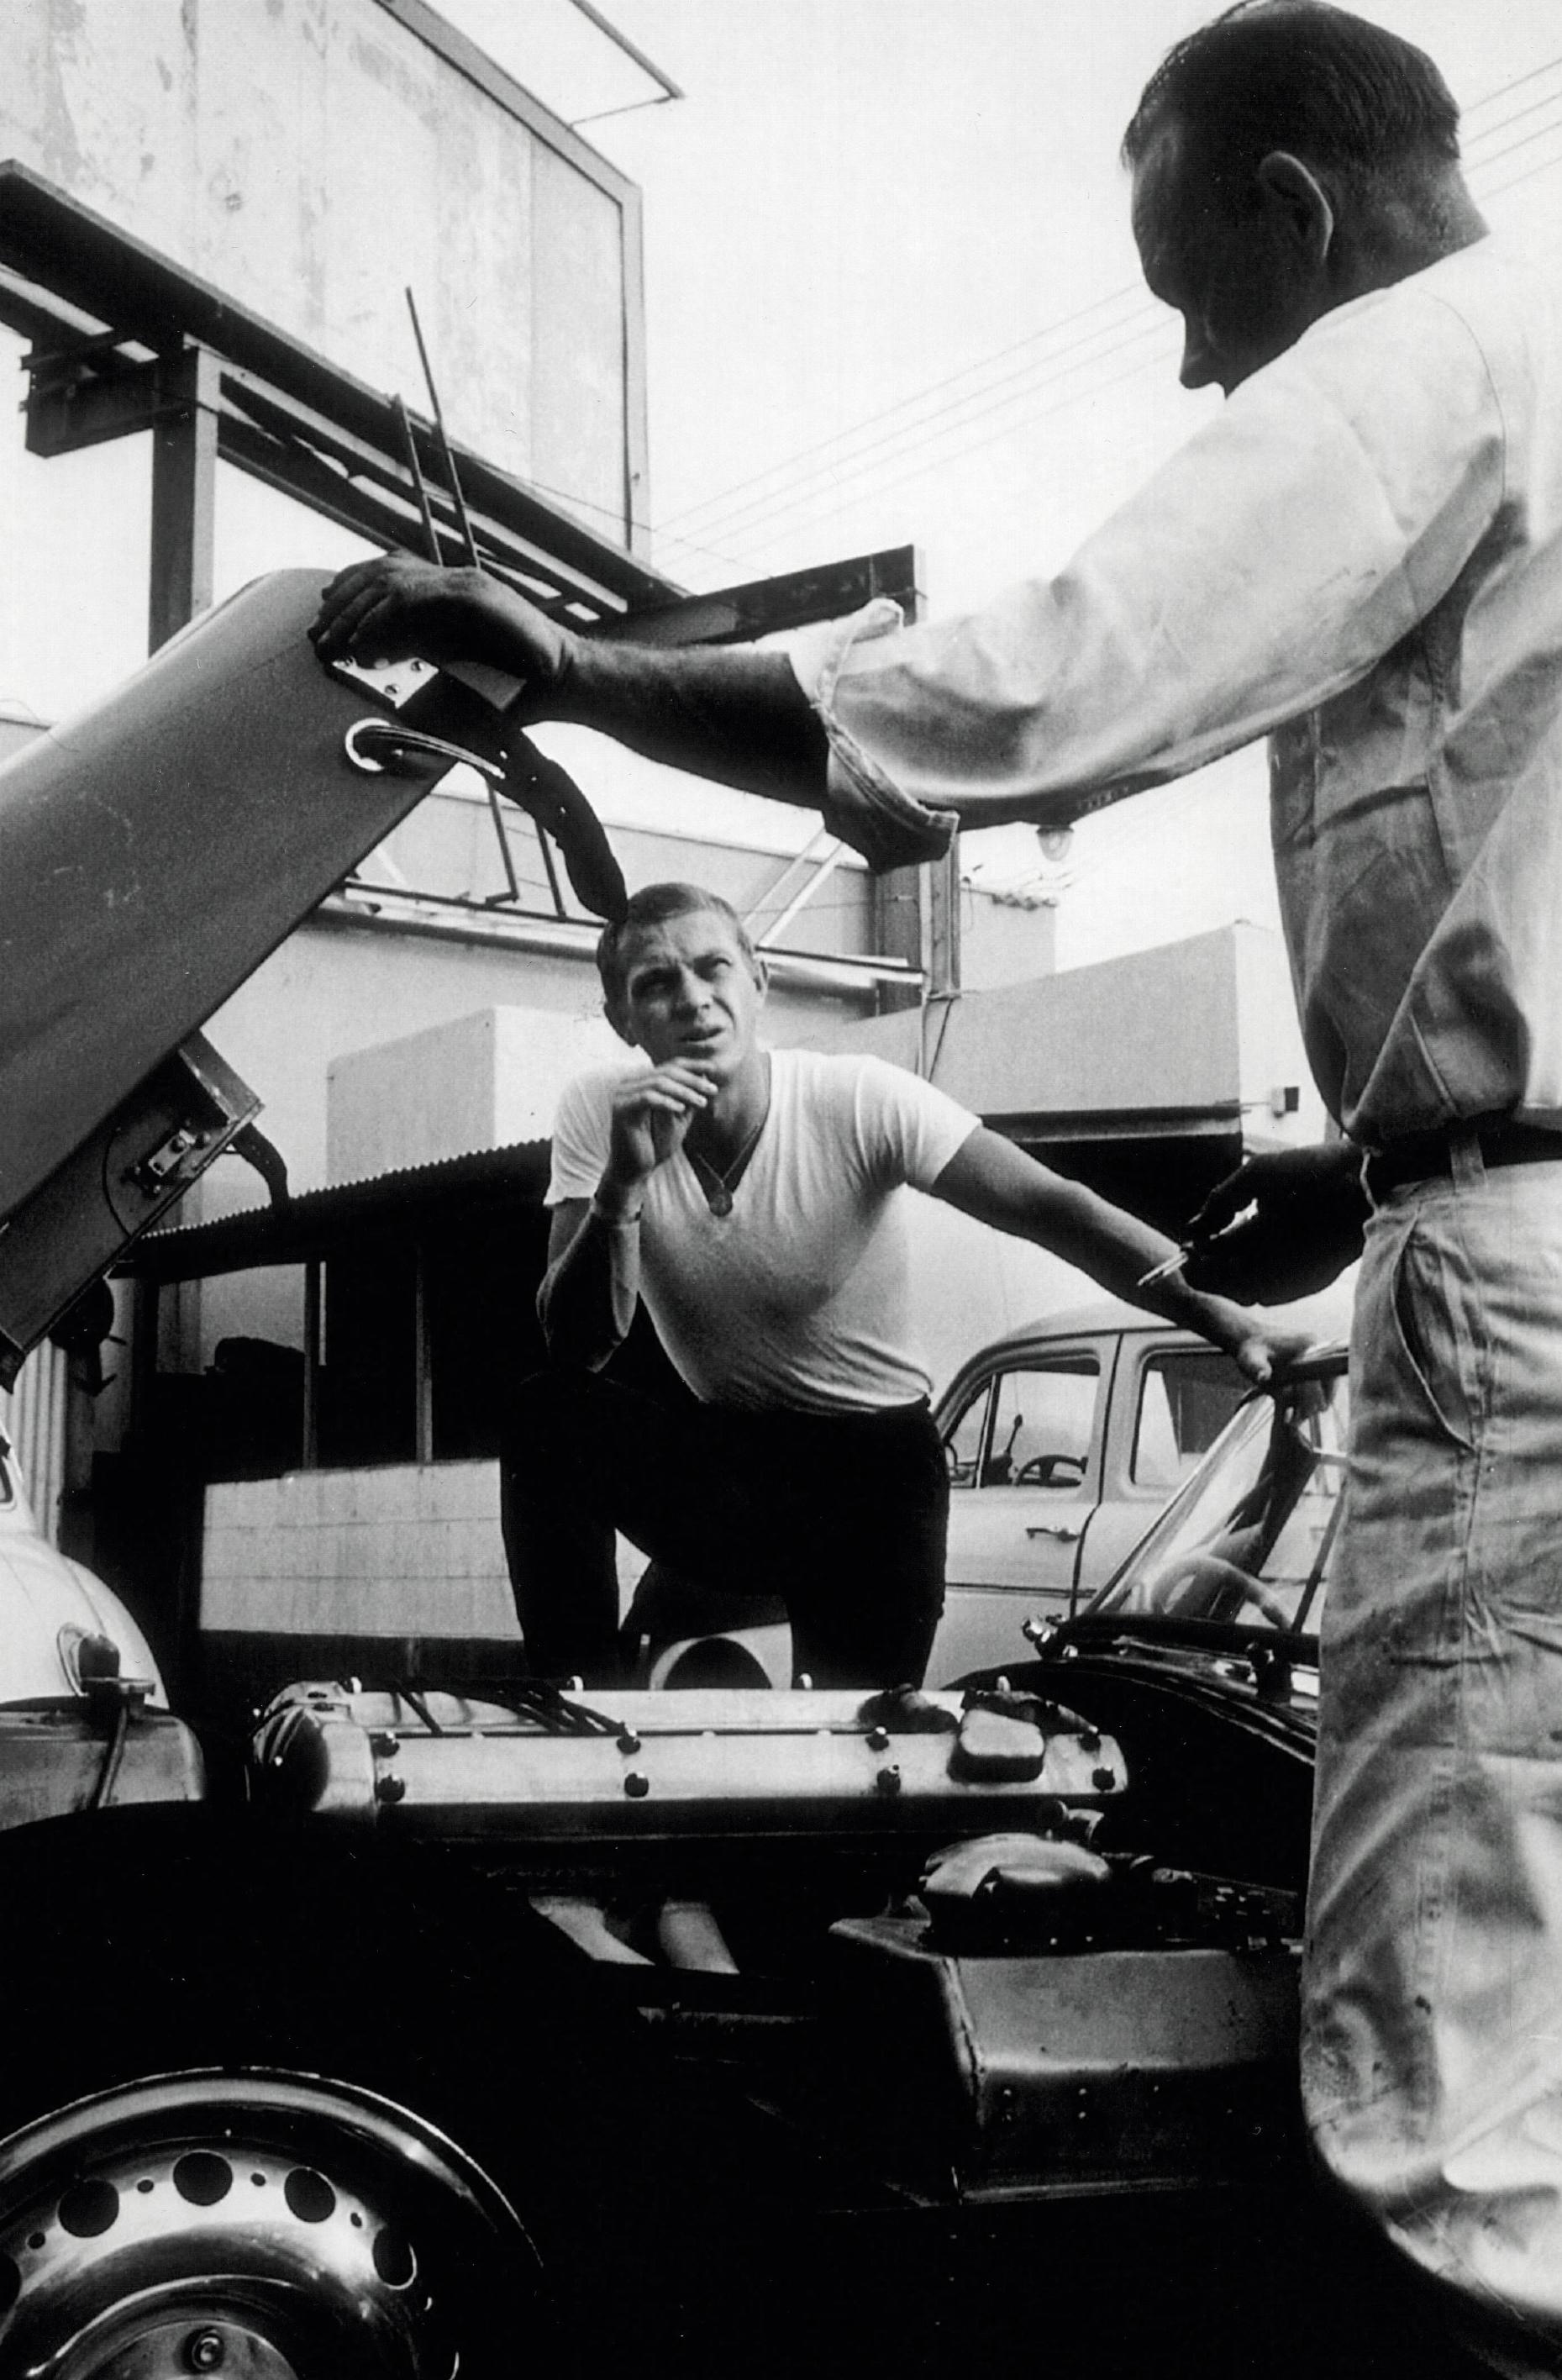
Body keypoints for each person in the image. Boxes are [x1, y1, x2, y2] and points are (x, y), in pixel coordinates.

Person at [313, 5, 1562, 2360]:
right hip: (1448, 1204)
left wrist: (573, 668)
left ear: (1290, 208)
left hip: (1430, 1293)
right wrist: (1343, 1155)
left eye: (1191, 288)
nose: (1197, 367)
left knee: (1453, 2061)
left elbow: (1020, 697)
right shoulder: (603, 1132)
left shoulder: (1424, 351)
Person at [502, 876, 1291, 1692]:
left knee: (856, 1754)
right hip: (728, 1461)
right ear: (621, 1019)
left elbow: (1051, 1208)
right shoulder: (601, 1112)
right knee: (547, 1410)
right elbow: (577, 1347)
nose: (693, 1001)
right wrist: (621, 1188)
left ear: (759, 982)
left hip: (868, 1476)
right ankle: (576, 1701)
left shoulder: (853, 1100)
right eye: (656, 984)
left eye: (712, 970)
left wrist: (1227, 1321)